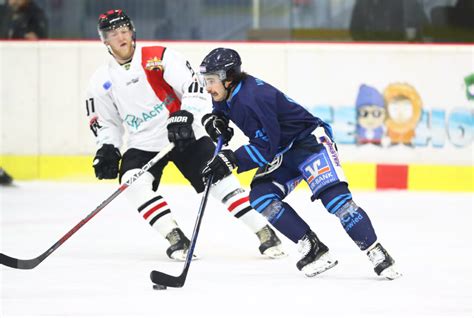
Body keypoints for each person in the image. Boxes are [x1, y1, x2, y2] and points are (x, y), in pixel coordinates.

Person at [85, 10, 285, 262]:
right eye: (114, 34)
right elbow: (106, 122)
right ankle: (175, 236)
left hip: (185, 134)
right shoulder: (100, 80)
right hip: (143, 142)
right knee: (132, 182)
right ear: (105, 40)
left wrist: (185, 115)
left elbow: (192, 86)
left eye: (124, 31)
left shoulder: (158, 56)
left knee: (219, 180)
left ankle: (264, 230)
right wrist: (107, 147)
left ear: (132, 32)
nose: (121, 37)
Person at [199, 47, 401, 279]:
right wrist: (216, 120)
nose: (207, 87)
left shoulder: (254, 97)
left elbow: (267, 147)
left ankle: (376, 252)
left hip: (308, 143)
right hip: (284, 150)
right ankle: (314, 248)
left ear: (229, 78)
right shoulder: (230, 92)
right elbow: (222, 109)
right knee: (262, 197)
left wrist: (231, 159)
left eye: (212, 80)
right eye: (206, 80)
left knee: (337, 201)